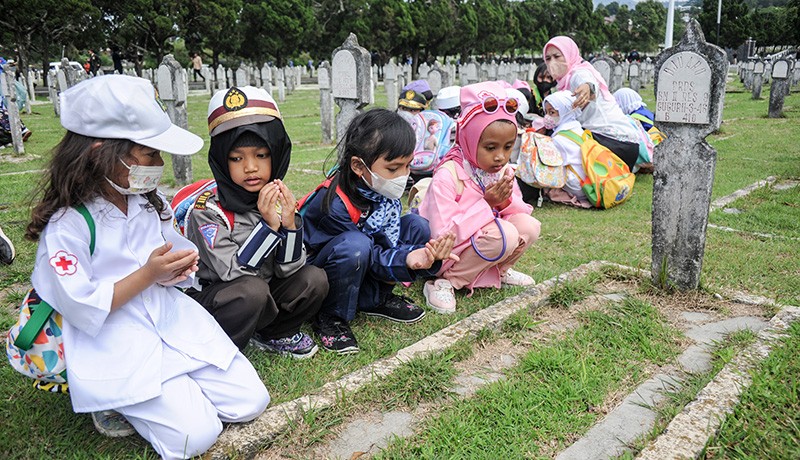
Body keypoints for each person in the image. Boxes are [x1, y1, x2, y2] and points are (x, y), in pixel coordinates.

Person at [25, 75, 269, 458]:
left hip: (168, 317)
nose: (159, 165)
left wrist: (179, 268)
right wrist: (148, 275)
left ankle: (176, 387)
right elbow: (80, 303)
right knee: (194, 436)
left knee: (250, 402)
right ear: (100, 153)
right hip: (114, 336)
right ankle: (118, 400)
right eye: (149, 154)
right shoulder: (68, 226)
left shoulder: (147, 203)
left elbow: (173, 251)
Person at [185, 86, 326, 358]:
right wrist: (268, 227)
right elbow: (232, 273)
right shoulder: (208, 209)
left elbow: (290, 270)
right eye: (237, 158)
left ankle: (273, 333)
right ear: (221, 161)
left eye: (261, 155)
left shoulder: (275, 197)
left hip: (262, 290)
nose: (250, 167)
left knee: (314, 279)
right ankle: (219, 351)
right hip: (222, 297)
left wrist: (289, 226)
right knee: (252, 291)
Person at [302, 109, 456, 353]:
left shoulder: (379, 194)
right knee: (356, 245)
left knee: (417, 225)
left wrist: (425, 256)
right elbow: (367, 253)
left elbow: (385, 241)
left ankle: (375, 299)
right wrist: (407, 258)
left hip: (364, 260)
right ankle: (330, 317)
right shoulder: (334, 204)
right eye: (393, 169)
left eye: (407, 165)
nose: (404, 176)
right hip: (325, 274)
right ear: (358, 166)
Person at [418, 82, 540, 314]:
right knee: (504, 235)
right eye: (490, 147)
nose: (500, 157)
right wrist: (486, 204)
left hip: (482, 238)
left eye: (507, 147)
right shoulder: (449, 174)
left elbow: (515, 212)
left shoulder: (500, 171)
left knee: (529, 226)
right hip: (446, 251)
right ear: (470, 139)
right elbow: (443, 234)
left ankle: (496, 271)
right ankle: (445, 281)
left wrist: (503, 200)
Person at [544, 36, 642, 171]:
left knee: (560, 140)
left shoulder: (578, 73)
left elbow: (587, 82)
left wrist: (586, 87)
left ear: (569, 55)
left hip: (615, 143)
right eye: (548, 59)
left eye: (557, 56)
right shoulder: (563, 83)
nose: (552, 62)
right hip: (618, 146)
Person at [541, 91, 592, 208]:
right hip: (590, 181)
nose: (547, 117)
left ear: (565, 111)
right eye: (546, 112)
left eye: (552, 112)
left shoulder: (560, 139)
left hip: (578, 187)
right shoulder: (577, 127)